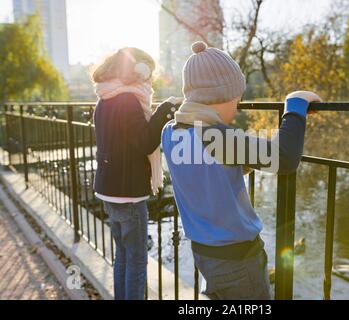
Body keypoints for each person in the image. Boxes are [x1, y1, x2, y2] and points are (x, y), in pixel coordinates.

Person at [161, 41, 322, 300]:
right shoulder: (217, 136)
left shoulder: (170, 132)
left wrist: (241, 161)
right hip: (238, 260)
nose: (237, 109)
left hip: (204, 253)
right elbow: (284, 158)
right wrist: (295, 106)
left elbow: (203, 171)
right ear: (221, 97)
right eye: (237, 100)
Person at [92, 47, 178, 300]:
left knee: (123, 257)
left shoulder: (104, 98)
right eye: (148, 72)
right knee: (138, 261)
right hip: (128, 194)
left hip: (109, 191)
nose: (150, 79)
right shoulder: (128, 100)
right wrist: (164, 111)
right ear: (138, 71)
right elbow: (145, 142)